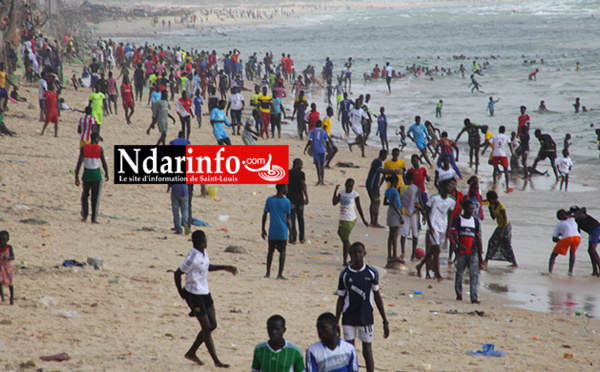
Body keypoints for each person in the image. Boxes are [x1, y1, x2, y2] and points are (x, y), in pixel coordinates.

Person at [174, 230, 237, 368]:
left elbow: (207, 267)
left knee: (213, 324)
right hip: (194, 295)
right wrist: (182, 294)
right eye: (206, 239)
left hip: (205, 292)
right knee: (207, 328)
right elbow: (177, 274)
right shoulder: (192, 258)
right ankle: (216, 361)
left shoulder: (203, 252)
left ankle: (191, 352)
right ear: (202, 240)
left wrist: (225, 267)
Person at [335, 242, 389, 372]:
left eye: (360, 252)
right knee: (349, 350)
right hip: (349, 317)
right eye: (354, 252)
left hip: (366, 317)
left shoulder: (371, 272)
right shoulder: (345, 274)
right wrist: (336, 321)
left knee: (367, 350)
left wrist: (385, 320)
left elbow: (377, 296)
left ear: (364, 254)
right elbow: (341, 298)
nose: (357, 255)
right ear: (350, 254)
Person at [415, 178, 457, 281]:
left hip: (443, 227)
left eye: (452, 186)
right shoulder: (434, 198)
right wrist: (430, 226)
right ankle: (437, 274)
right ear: (442, 187)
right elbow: (427, 211)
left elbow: (450, 214)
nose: (450, 188)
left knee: (433, 250)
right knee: (437, 249)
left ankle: (420, 265)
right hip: (433, 227)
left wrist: (448, 229)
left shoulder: (452, 201)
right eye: (448, 186)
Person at [451, 200, 482, 303]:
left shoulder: (476, 221)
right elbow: (454, 235)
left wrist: (480, 253)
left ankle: (474, 296)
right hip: (461, 253)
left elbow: (478, 238)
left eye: (473, 209)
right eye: (469, 208)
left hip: (473, 252)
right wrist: (459, 245)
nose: (471, 211)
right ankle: (459, 293)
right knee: (459, 273)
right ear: (464, 208)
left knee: (474, 274)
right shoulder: (458, 220)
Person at [74, 132, 109, 224]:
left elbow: (79, 162)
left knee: (85, 195)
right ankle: (93, 219)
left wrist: (76, 176)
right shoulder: (100, 149)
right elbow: (103, 163)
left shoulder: (84, 148)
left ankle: (85, 214)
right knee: (95, 198)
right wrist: (106, 173)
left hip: (86, 175)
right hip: (96, 176)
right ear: (97, 139)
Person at [333, 179, 369, 266]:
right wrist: (335, 191)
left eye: (350, 187)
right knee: (342, 236)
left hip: (350, 219)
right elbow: (334, 202)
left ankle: (345, 260)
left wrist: (364, 220)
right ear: (345, 185)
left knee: (345, 241)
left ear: (353, 186)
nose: (348, 188)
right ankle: (353, 255)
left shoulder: (355, 195)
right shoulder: (342, 192)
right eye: (347, 186)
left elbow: (359, 207)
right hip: (342, 218)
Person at [262, 184, 292, 279]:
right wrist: (291, 232)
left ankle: (268, 273)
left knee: (270, 251)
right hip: (282, 230)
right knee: (282, 251)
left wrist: (262, 228)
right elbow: (288, 218)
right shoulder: (287, 201)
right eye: (286, 188)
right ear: (282, 189)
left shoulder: (270, 200)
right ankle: (279, 274)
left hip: (273, 230)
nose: (287, 189)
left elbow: (265, 214)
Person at [365, 150, 400, 228]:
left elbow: (382, 174)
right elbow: (382, 171)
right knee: (376, 201)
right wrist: (393, 171)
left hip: (373, 185)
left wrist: (379, 186)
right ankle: (374, 222)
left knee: (374, 201)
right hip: (372, 185)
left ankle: (373, 221)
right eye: (386, 156)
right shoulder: (378, 162)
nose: (386, 157)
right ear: (383, 155)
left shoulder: (376, 161)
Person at [483, 190, 518, 268]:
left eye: (490, 200)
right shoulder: (492, 206)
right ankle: (486, 260)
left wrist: (502, 232)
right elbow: (493, 218)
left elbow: (505, 219)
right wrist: (491, 210)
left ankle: (514, 263)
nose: (489, 201)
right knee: (492, 242)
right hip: (500, 226)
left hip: (505, 226)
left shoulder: (501, 206)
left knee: (507, 244)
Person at [548, 209, 580, 275]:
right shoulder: (572, 219)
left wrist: (560, 241)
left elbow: (554, 238)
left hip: (568, 238)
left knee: (553, 255)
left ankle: (550, 272)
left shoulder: (559, 224)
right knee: (572, 253)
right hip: (577, 237)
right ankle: (570, 272)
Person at [570, 206, 600, 276]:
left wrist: (574, 215)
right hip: (592, 232)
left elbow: (584, 208)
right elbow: (578, 231)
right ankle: (595, 271)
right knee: (590, 250)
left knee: (592, 250)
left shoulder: (582, 215)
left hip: (596, 229)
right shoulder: (577, 220)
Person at [399, 171, 421, 261]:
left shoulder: (401, 188)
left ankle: (403, 252)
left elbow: (399, 201)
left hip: (403, 213)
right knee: (415, 234)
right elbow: (419, 202)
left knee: (403, 234)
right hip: (414, 213)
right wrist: (421, 216)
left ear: (405, 179)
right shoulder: (416, 188)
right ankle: (412, 255)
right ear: (413, 179)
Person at [288, 158, 309, 244]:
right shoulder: (301, 174)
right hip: (299, 198)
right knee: (300, 218)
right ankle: (301, 238)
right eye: (301, 165)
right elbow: (303, 185)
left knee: (292, 219)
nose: (302, 167)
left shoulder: (288, 173)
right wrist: (306, 197)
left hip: (290, 198)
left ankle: (293, 238)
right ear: (297, 165)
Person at [304, 120, 331, 186]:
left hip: (316, 150)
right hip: (322, 150)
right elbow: (327, 142)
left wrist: (305, 148)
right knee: (322, 165)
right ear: (321, 125)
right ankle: (322, 181)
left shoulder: (313, 131)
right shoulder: (324, 132)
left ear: (315, 124)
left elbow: (310, 140)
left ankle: (319, 180)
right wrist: (328, 148)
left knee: (317, 165)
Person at [384, 175, 404, 262]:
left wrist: (391, 203)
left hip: (390, 211)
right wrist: (400, 216)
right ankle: (395, 255)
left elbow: (385, 202)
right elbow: (395, 204)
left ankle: (389, 255)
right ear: (395, 182)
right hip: (396, 213)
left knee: (390, 235)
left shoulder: (387, 190)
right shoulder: (395, 191)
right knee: (395, 235)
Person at [489, 125, 512, 192]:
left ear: (499, 130)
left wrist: (484, 150)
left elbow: (489, 142)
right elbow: (510, 145)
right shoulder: (506, 137)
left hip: (495, 154)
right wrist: (513, 153)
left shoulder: (494, 136)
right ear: (504, 131)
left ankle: (494, 183)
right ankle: (507, 185)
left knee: (495, 169)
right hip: (503, 154)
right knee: (506, 170)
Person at [0, 230, 15, 305]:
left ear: (7, 240)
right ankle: (2, 296)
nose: (2, 242)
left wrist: (8, 258)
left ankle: (11, 298)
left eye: (4, 240)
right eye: (1, 240)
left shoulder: (9, 247)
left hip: (8, 268)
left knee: (10, 283)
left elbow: (13, 257)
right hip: (1, 266)